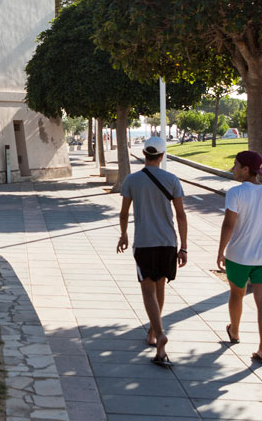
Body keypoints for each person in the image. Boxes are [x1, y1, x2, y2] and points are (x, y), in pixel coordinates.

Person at [116, 136, 188, 368]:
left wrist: (124, 234)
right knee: (160, 285)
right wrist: (183, 247)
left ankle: (160, 333)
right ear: (162, 155)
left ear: (144, 154)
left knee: (148, 289)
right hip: (168, 242)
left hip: (144, 242)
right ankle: (152, 332)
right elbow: (181, 215)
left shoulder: (132, 180)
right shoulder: (172, 179)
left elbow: (124, 212)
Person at [217, 150, 262, 366]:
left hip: (239, 255)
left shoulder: (235, 193)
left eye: (236, 165)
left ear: (246, 169)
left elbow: (228, 224)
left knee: (237, 294)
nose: (233, 169)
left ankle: (235, 331)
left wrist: (220, 251)